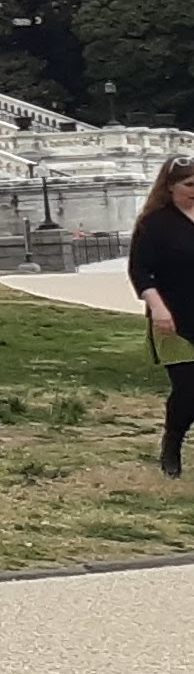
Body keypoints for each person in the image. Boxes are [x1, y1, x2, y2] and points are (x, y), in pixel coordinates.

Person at [133, 157, 194, 477]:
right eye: (189, 185)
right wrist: (157, 307)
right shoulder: (156, 224)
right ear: (171, 187)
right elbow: (141, 271)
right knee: (188, 389)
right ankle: (172, 445)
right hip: (173, 319)